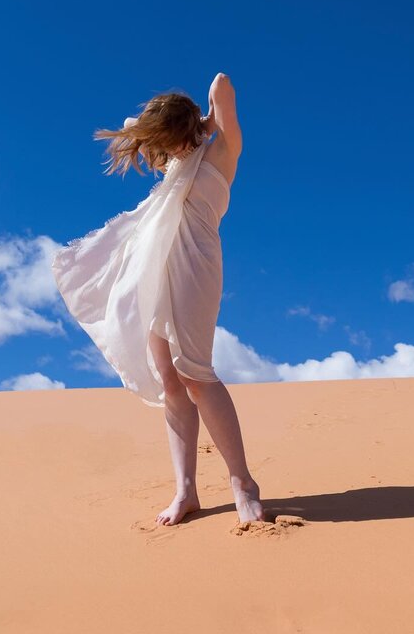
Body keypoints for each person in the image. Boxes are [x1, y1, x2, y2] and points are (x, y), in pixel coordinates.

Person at [52, 72, 265, 527]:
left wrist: (205, 122)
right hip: (150, 271)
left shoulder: (221, 153)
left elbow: (222, 84)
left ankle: (243, 483)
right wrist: (175, 127)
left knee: (196, 375)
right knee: (170, 381)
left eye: (168, 139)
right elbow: (137, 125)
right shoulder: (173, 165)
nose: (164, 151)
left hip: (195, 268)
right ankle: (186, 491)